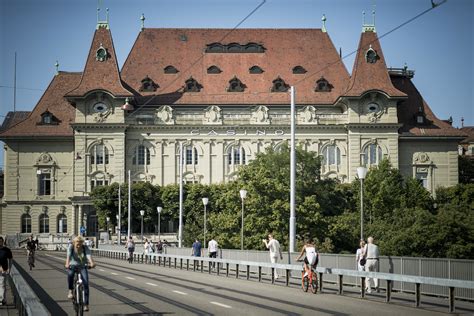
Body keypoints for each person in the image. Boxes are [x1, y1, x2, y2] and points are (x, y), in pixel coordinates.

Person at [65, 236, 96, 312]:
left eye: (80, 244)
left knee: (86, 283)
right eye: (77, 244)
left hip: (82, 266)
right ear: (74, 243)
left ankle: (86, 304)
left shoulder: (85, 248)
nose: (78, 246)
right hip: (73, 265)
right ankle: (70, 291)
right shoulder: (71, 247)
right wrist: (67, 264)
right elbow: (68, 256)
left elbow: (89, 256)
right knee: (70, 274)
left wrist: (92, 263)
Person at [0, 236, 13, 306]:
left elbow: (10, 259)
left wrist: (9, 269)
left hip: (4, 270)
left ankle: (2, 299)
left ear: (3, 242)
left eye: (1, 241)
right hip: (1, 269)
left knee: (2, 285)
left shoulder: (7, 250)